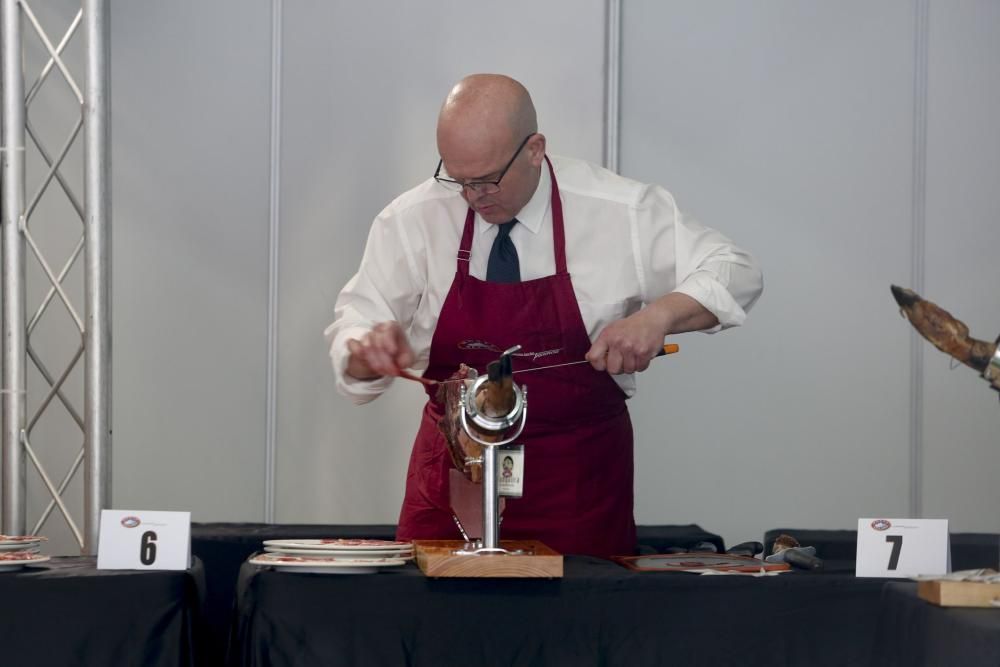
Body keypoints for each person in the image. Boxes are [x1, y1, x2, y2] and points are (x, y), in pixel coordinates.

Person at [325, 73, 762, 558]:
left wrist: (657, 317)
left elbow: (735, 272)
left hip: (576, 492)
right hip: (451, 494)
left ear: (534, 148)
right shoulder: (413, 218)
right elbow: (357, 323)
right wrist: (366, 351)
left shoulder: (620, 211)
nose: (473, 196)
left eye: (488, 179)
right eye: (458, 179)